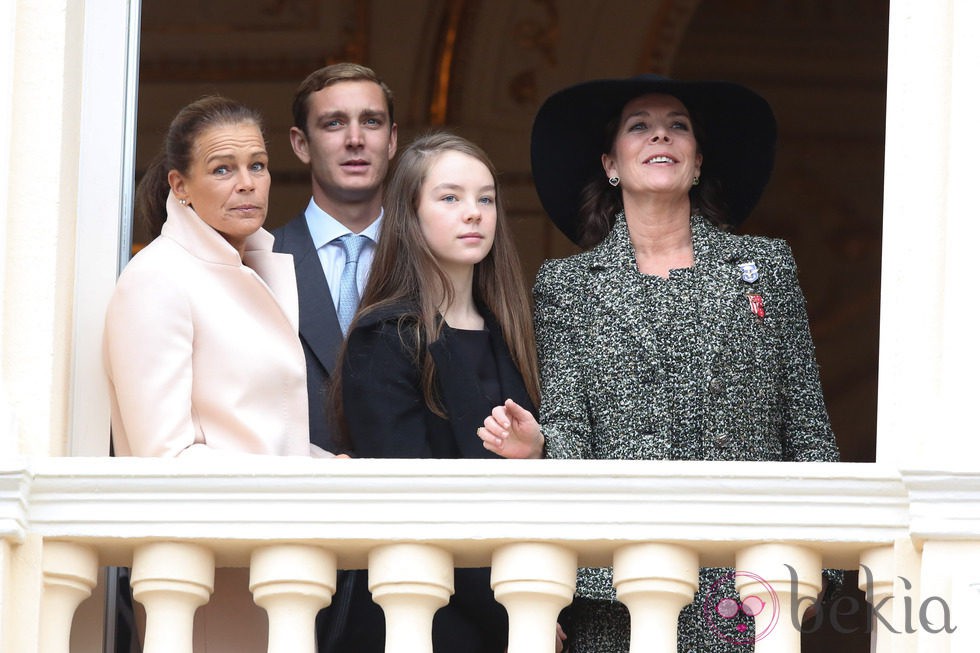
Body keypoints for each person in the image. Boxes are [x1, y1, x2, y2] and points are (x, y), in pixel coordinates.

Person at [478, 75, 841, 652]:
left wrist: (826, 559)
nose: (660, 136)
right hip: (617, 583)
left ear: (696, 163)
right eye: (639, 126)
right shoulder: (567, 286)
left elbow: (805, 423)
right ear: (611, 163)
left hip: (747, 582)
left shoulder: (766, 267)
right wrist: (559, 589)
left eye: (678, 126)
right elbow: (571, 436)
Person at [104, 95, 336, 652]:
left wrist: (328, 466)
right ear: (179, 186)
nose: (247, 183)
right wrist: (302, 479)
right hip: (205, 575)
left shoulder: (256, 264)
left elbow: (255, 429)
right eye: (223, 168)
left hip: (272, 564)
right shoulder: (157, 277)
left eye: (256, 165)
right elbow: (166, 456)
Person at [333, 131, 541, 653]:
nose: (473, 213)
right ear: (409, 213)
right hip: (422, 616)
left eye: (485, 198)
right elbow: (414, 505)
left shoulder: (511, 331)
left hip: (521, 603)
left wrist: (537, 453)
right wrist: (514, 615)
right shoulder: (385, 336)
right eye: (450, 197)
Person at [272, 62, 398, 455]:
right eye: (333, 124)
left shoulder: (430, 263)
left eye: (372, 121)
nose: (355, 139)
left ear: (392, 140)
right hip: (296, 505)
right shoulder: (257, 264)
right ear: (300, 144)